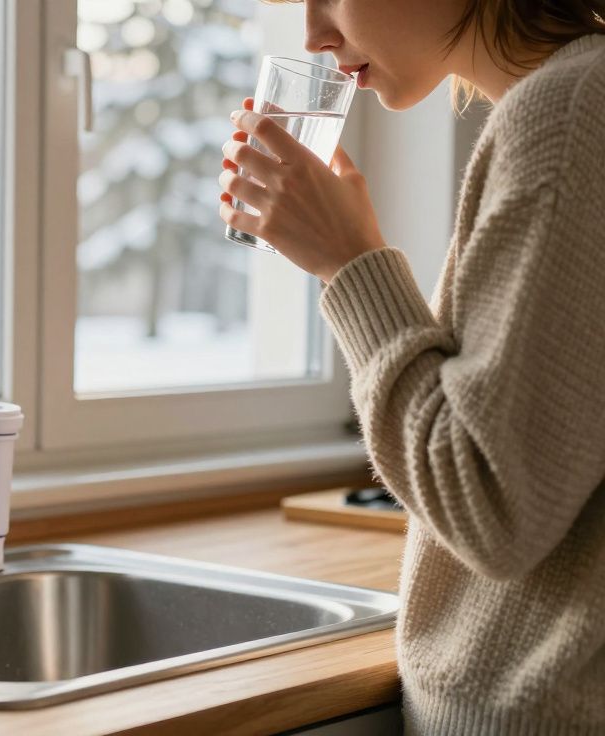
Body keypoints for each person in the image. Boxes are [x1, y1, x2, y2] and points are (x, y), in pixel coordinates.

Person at [217, 0, 605, 732]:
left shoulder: (568, 113)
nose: (313, 35)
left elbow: (491, 506)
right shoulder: (568, 102)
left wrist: (350, 264)